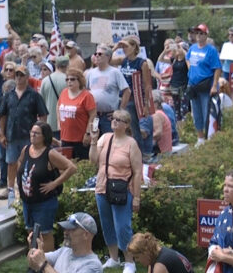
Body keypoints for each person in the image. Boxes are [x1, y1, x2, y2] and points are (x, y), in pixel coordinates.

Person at [89, 109, 142, 273]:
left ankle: (129, 261)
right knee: (107, 224)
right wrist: (93, 140)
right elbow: (93, 161)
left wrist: (137, 198)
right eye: (114, 119)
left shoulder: (131, 143)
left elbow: (138, 172)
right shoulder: (105, 138)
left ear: (126, 125)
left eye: (119, 120)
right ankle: (113, 258)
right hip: (102, 187)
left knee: (122, 226)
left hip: (122, 189)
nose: (115, 121)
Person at [18, 122, 77, 251]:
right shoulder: (26, 149)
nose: (32, 135)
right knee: (31, 232)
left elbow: (71, 167)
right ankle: (34, 261)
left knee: (45, 233)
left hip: (44, 202)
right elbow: (20, 163)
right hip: (27, 201)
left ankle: (47, 263)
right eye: (31, 132)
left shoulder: (50, 153)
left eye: (36, 133)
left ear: (44, 136)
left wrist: (54, 183)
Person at [0, 65, 48, 204]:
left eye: (22, 75)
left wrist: (41, 133)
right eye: (17, 75)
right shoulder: (8, 95)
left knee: (27, 163)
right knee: (11, 163)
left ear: (27, 77)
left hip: (29, 136)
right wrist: (2, 134)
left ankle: (24, 189)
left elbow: (43, 115)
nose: (19, 78)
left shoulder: (34, 95)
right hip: (11, 135)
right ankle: (10, 189)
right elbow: (2, 116)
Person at [114, 36, 158, 155]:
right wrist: (116, 47)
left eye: (126, 46)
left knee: (137, 129)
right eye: (123, 47)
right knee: (129, 129)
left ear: (134, 47)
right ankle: (136, 153)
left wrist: (146, 104)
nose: (124, 49)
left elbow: (147, 84)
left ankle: (142, 153)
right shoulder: (123, 60)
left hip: (136, 99)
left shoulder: (141, 63)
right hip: (125, 98)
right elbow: (107, 60)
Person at [26, 212, 103, 273]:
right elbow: (34, 262)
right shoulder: (64, 251)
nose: (65, 232)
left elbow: (41, 262)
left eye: (71, 229)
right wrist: (34, 248)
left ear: (85, 235)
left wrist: (43, 265)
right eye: (65, 229)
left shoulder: (92, 265)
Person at [185, 24, 221, 146]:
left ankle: (210, 137)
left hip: (206, 85)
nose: (199, 36)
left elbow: (217, 68)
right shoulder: (192, 48)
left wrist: (214, 85)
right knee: (196, 113)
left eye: (201, 33)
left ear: (206, 35)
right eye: (197, 33)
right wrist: (190, 69)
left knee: (207, 113)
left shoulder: (211, 50)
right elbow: (187, 58)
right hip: (194, 85)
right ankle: (200, 138)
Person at [86, 44, 130, 135]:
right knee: (94, 140)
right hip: (94, 116)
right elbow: (85, 92)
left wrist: (120, 110)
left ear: (108, 57)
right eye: (96, 54)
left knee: (109, 140)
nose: (97, 56)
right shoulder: (90, 73)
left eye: (100, 54)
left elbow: (127, 91)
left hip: (109, 117)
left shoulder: (115, 72)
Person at [58, 68, 96, 161]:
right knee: (67, 164)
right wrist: (59, 124)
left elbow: (93, 115)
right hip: (65, 137)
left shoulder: (86, 96)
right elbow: (58, 106)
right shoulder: (64, 92)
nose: (69, 82)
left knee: (81, 166)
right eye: (67, 79)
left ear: (80, 81)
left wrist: (88, 133)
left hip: (80, 138)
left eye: (72, 79)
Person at [127, 232, 193, 273]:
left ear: (145, 252)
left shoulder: (160, 266)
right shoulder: (155, 255)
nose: (136, 260)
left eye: (137, 257)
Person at [40, 57, 68, 140]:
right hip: (65, 121)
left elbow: (42, 103)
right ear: (67, 66)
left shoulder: (45, 81)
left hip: (49, 122)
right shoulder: (69, 80)